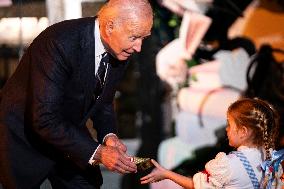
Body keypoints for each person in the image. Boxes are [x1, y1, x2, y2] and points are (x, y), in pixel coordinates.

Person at [0, 0, 153, 188]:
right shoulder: (58, 42)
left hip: (68, 136)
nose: (139, 47)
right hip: (23, 137)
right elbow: (44, 118)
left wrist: (109, 136)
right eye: (134, 37)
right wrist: (99, 152)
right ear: (110, 27)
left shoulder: (121, 49)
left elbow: (103, 102)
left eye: (143, 39)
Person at [140, 98, 283, 188]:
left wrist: (166, 174)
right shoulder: (270, 157)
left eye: (230, 125)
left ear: (243, 131)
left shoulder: (229, 165)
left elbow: (196, 185)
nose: (226, 130)